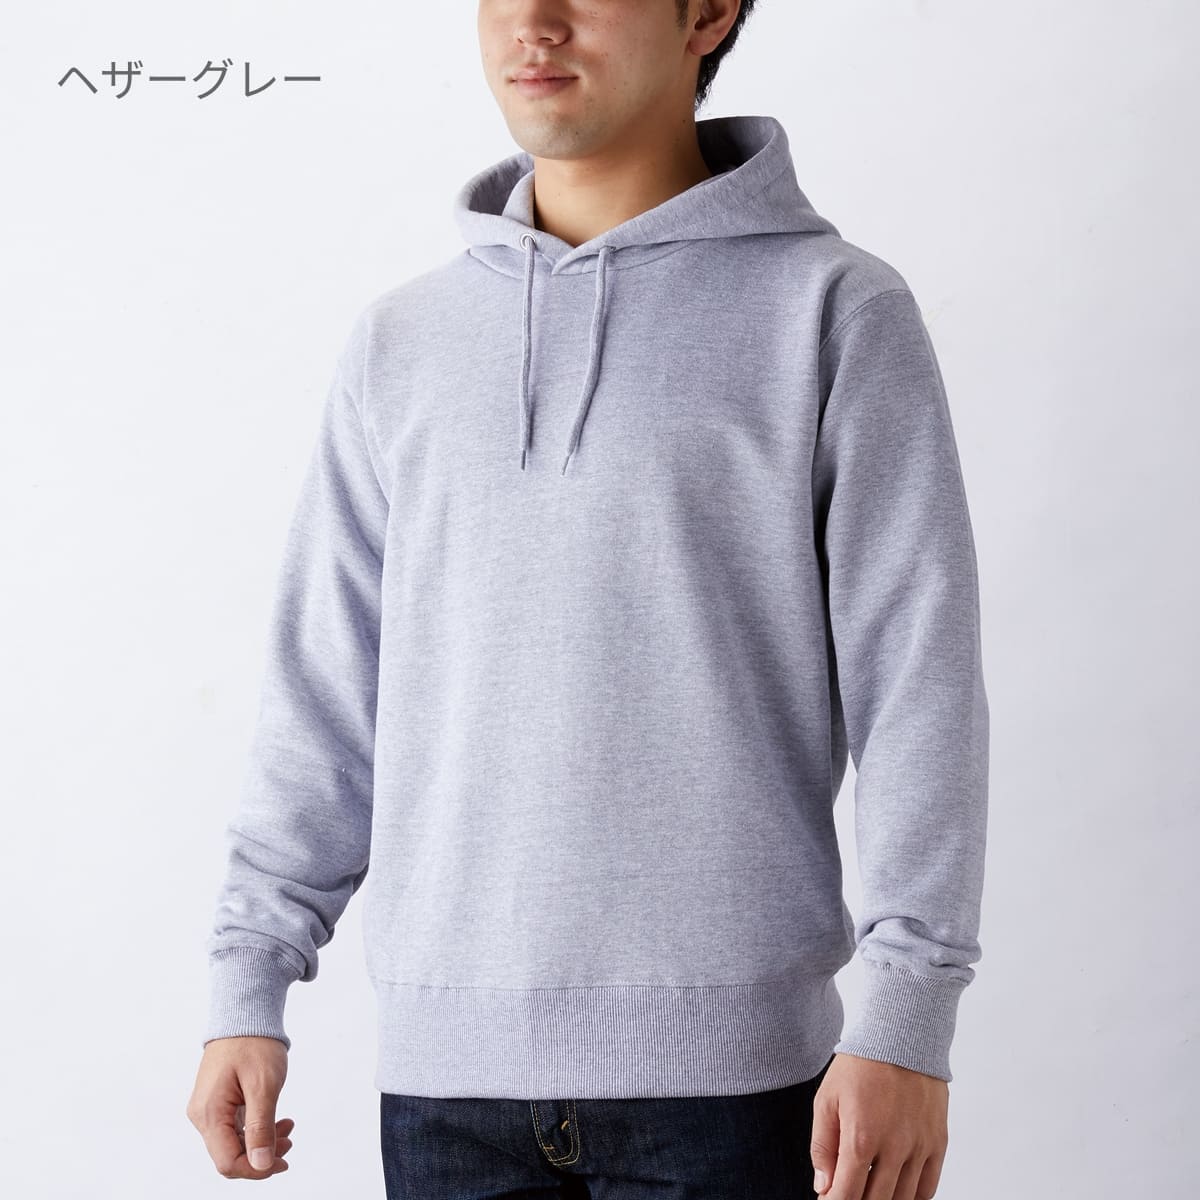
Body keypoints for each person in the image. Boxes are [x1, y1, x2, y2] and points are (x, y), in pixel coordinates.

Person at [185, 2, 990, 1197]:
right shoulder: (402, 342)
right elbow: (326, 693)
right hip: (445, 1095)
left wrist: (908, 1018)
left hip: (736, 1093)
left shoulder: (833, 311)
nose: (534, 23)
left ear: (707, 13)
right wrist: (248, 980)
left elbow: (918, 684)